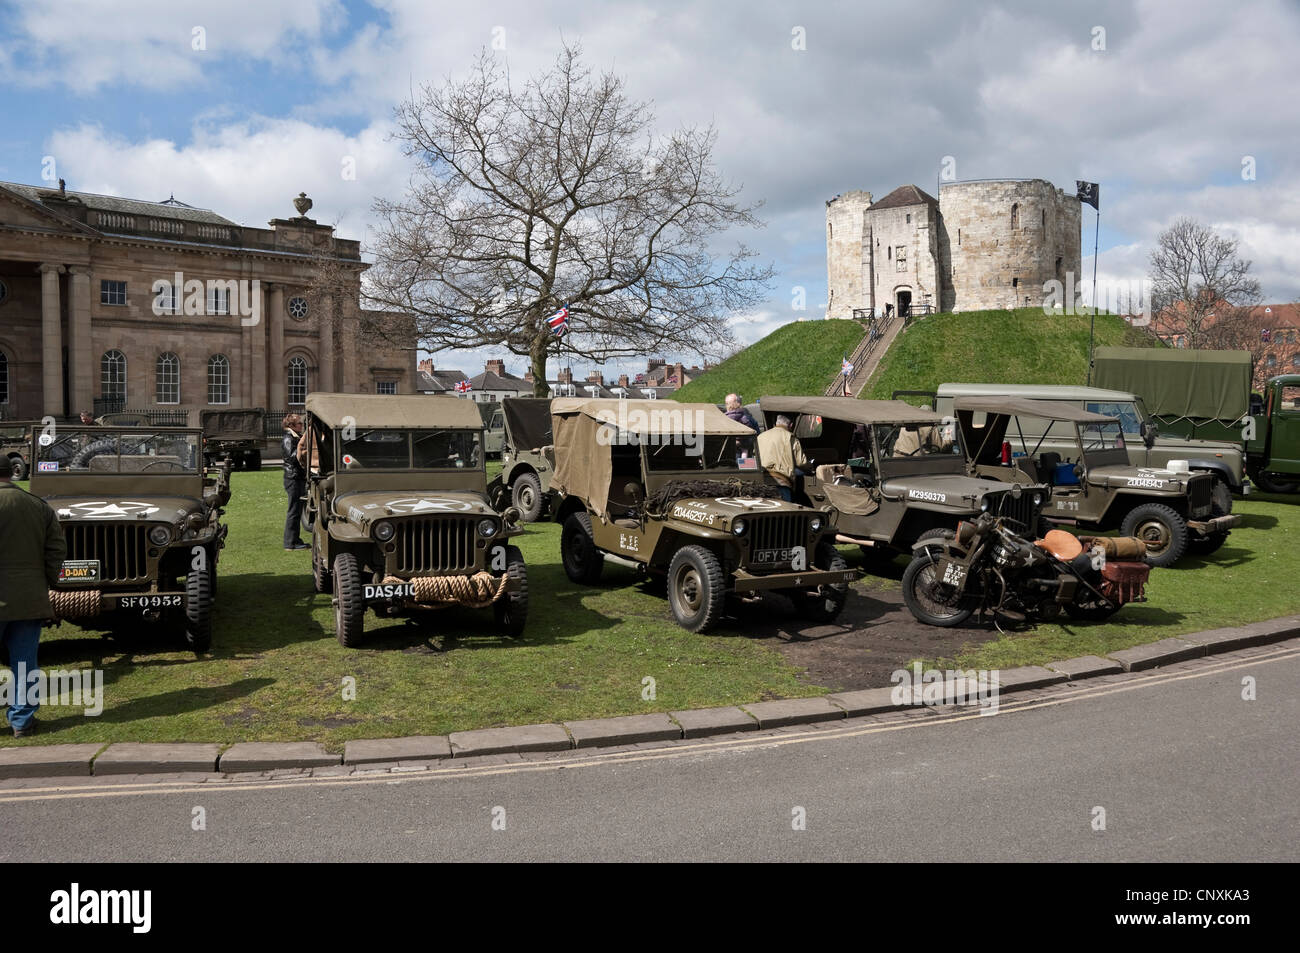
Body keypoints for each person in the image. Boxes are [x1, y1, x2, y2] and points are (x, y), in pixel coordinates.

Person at [0, 454, 67, 737]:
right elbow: (56, 549)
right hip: (29, 597)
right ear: (12, 474)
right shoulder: (38, 506)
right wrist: (48, 582)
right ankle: (21, 720)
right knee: (25, 661)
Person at [757, 414, 808, 502]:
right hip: (781, 482)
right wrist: (810, 467)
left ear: (776, 423)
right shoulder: (791, 438)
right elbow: (801, 463)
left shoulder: (760, 436)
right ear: (791, 425)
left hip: (761, 481)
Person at [282, 414, 309, 550]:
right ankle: (290, 543)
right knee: (293, 511)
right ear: (291, 425)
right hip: (292, 478)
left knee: (297, 510)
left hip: (297, 477)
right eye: (299, 423)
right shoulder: (288, 438)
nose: (301, 425)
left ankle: (295, 540)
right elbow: (292, 457)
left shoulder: (294, 437)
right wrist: (303, 449)